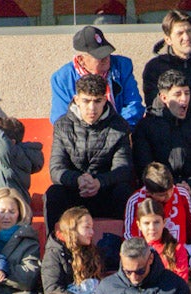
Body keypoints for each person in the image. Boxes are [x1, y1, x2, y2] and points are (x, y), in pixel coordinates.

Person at [45, 73, 134, 235]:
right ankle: (55, 247)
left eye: (97, 101)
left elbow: (123, 169)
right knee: (54, 193)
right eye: (86, 101)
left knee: (123, 191)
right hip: (75, 192)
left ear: (105, 99)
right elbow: (56, 169)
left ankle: (122, 247)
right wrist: (78, 180)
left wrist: (100, 182)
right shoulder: (62, 126)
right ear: (77, 100)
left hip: (105, 192)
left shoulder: (119, 126)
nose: (92, 108)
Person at [135, 69, 191, 213]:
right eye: (178, 94)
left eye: (186, 93)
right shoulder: (146, 127)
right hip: (159, 193)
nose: (184, 99)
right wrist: (169, 188)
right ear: (164, 97)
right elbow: (145, 168)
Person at [49, 25, 144, 129]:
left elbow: (133, 103)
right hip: (81, 137)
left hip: (121, 130)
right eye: (99, 56)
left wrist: (119, 130)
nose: (106, 59)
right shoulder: (62, 79)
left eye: (107, 53)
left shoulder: (122, 66)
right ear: (81, 59)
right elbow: (60, 118)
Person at [144, 9, 191, 106]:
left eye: (189, 31)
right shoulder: (155, 68)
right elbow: (154, 107)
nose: (186, 37)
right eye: (179, 33)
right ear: (168, 40)